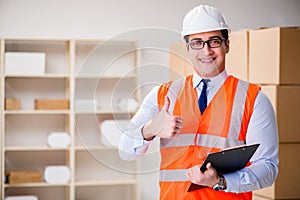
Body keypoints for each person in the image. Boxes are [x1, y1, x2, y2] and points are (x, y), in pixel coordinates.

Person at [118, 4, 278, 200]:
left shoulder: (254, 99)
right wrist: (151, 129)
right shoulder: (162, 94)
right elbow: (125, 151)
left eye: (214, 41)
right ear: (187, 48)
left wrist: (221, 181)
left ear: (227, 45)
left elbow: (268, 169)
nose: (206, 50)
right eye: (197, 43)